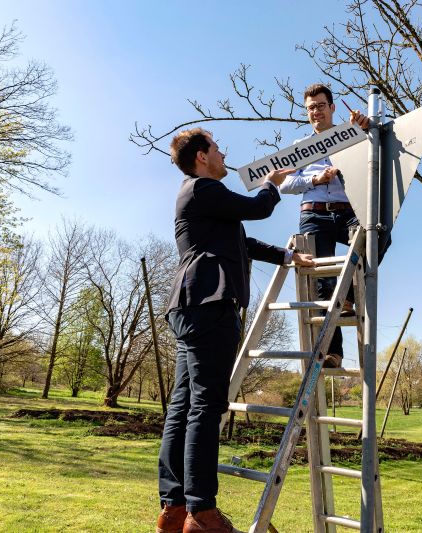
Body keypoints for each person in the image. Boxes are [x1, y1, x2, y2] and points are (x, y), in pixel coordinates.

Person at [156, 128, 314, 533]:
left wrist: (286, 255)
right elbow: (257, 209)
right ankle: (202, 512)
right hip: (209, 307)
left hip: (191, 307)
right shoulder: (200, 189)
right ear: (202, 157)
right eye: (217, 148)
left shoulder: (205, 200)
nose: (224, 154)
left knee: (184, 406)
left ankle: (174, 509)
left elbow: (245, 239)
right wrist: (272, 185)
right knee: (206, 408)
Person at [280, 83, 376, 369]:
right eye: (310, 108)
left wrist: (367, 128)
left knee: (377, 238)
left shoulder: (353, 135)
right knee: (321, 281)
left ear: (332, 107)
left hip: (349, 210)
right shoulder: (300, 148)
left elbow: (378, 150)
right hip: (314, 213)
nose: (316, 112)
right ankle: (333, 353)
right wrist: (314, 179)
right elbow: (284, 183)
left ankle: (347, 295)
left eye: (321, 106)